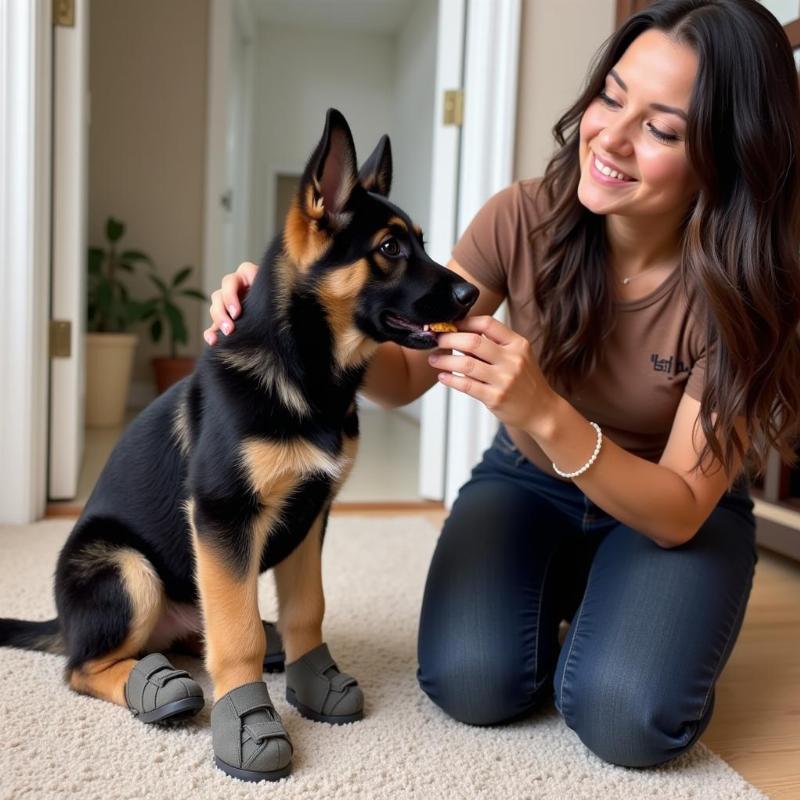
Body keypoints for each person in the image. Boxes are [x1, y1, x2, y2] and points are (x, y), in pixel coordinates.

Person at [204, 0, 800, 769]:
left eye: (661, 128)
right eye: (611, 95)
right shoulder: (523, 217)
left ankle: (613, 596)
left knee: (626, 717)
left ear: (727, 152)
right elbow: (408, 371)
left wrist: (544, 410)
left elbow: (682, 510)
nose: (610, 137)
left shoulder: (747, 286)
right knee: (470, 682)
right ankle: (587, 588)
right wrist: (302, 316)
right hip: (529, 482)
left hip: (670, 509)